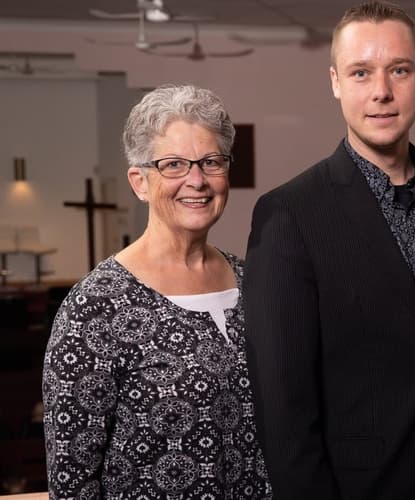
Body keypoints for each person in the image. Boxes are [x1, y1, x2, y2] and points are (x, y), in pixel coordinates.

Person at [243, 2, 415, 499]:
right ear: (336, 81)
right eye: (361, 72)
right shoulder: (288, 215)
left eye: (398, 70)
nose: (382, 91)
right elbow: (283, 409)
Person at [42, 84, 272, 498]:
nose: (197, 181)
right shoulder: (96, 307)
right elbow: (72, 478)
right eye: (173, 165)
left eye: (211, 162)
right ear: (140, 182)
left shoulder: (258, 281)